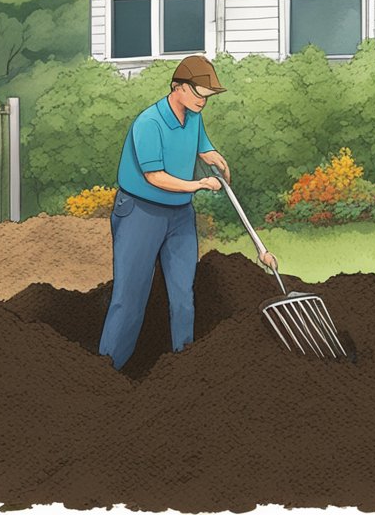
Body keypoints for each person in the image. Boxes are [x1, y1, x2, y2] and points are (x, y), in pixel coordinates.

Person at [98, 54, 277, 370]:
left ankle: (184, 369)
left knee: (183, 296)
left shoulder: (193, 116)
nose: (203, 103)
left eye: (207, 97)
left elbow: (201, 146)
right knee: (130, 298)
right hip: (141, 213)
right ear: (177, 87)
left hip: (180, 217)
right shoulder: (149, 124)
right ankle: (108, 369)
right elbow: (156, 177)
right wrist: (199, 185)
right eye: (198, 95)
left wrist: (214, 156)